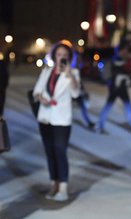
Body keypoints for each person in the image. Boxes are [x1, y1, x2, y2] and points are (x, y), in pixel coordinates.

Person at [33, 41, 80, 201]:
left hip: (61, 119)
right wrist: (41, 98)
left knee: (60, 151)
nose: (61, 58)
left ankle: (63, 188)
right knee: (49, 152)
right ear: (54, 56)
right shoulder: (47, 71)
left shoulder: (72, 73)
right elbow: (37, 91)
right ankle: (54, 184)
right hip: (45, 117)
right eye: (59, 54)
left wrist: (70, 75)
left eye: (64, 55)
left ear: (69, 58)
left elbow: (75, 93)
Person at [95, 42, 131, 133]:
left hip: (117, 87)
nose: (126, 52)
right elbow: (119, 74)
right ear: (121, 50)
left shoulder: (117, 59)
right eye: (125, 50)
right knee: (125, 107)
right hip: (117, 88)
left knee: (112, 106)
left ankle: (99, 125)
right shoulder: (117, 60)